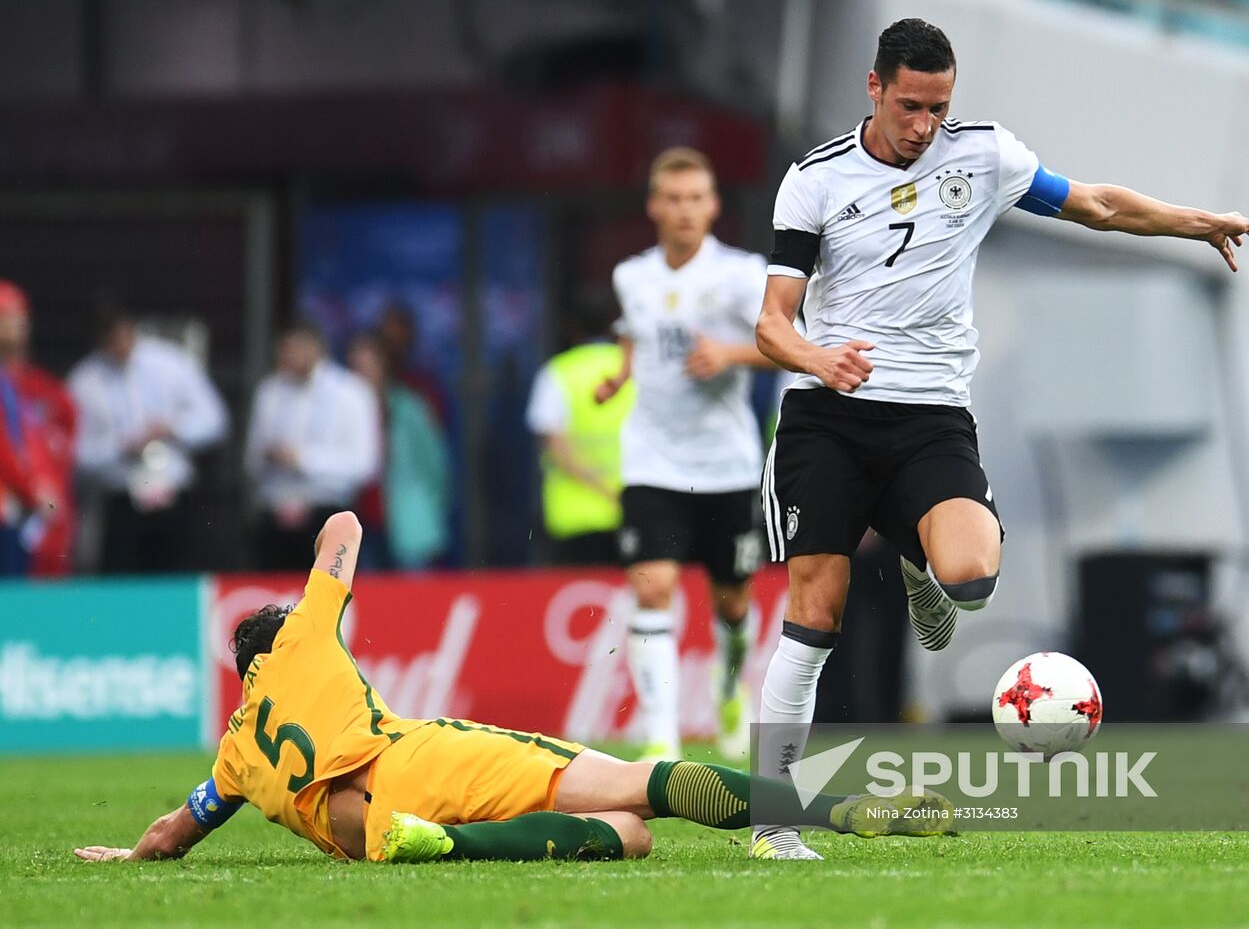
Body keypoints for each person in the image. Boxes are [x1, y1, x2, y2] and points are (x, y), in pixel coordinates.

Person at [752, 18, 1249, 860]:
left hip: (930, 420)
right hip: (828, 416)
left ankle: (922, 561)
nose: (925, 126)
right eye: (911, 106)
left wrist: (1196, 223)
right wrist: (818, 356)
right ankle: (773, 822)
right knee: (817, 614)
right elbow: (773, 323)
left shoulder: (983, 156)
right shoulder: (813, 181)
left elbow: (1094, 204)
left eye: (940, 108)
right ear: (874, 88)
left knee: (973, 579)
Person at [72, 510, 951, 865]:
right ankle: (841, 807)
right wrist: (318, 582)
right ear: (279, 635)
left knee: (630, 840)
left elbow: (168, 833)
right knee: (645, 786)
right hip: (420, 758)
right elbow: (342, 527)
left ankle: (443, 846)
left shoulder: (231, 753)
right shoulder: (302, 631)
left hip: (363, 828)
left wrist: (125, 858)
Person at [594, 147, 776, 762]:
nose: (684, 211)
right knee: (653, 587)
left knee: (732, 602)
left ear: (714, 206)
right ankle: (661, 740)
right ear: (653, 206)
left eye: (696, 198)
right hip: (652, 458)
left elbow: (785, 344)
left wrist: (729, 355)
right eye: (672, 199)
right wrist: (620, 375)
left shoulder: (742, 274)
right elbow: (633, 331)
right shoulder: (633, 275)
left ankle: (729, 689)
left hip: (726, 462)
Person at [67, 306, 228, 574]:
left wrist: (173, 429)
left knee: (178, 579)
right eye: (111, 337)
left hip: (171, 492)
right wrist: (120, 446)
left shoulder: (170, 362)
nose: (121, 344)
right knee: (123, 583)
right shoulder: (84, 381)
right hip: (122, 499)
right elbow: (78, 455)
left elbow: (214, 420)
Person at [245, 321, 380, 572]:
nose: (286, 357)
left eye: (293, 349)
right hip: (276, 514)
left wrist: (304, 459)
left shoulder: (351, 392)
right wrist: (271, 456)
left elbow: (366, 463)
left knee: (325, 599)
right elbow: (252, 460)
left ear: (314, 348)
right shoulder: (271, 391)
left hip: (326, 512)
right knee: (277, 602)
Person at [525, 303, 635, 566]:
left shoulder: (558, 372)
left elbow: (556, 447)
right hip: (633, 509)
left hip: (576, 516)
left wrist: (602, 489)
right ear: (613, 326)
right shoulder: (632, 369)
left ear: (573, 329)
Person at [347, 333, 451, 571]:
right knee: (366, 599)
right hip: (360, 521)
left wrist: (425, 510)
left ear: (383, 367)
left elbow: (434, 464)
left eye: (368, 367)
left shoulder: (409, 407)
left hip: (407, 521)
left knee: (415, 600)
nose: (362, 376)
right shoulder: (343, 412)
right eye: (356, 369)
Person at [0, 281, 73, 576]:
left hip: (28, 516)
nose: (20, 325)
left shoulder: (35, 387)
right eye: (10, 317)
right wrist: (32, 490)